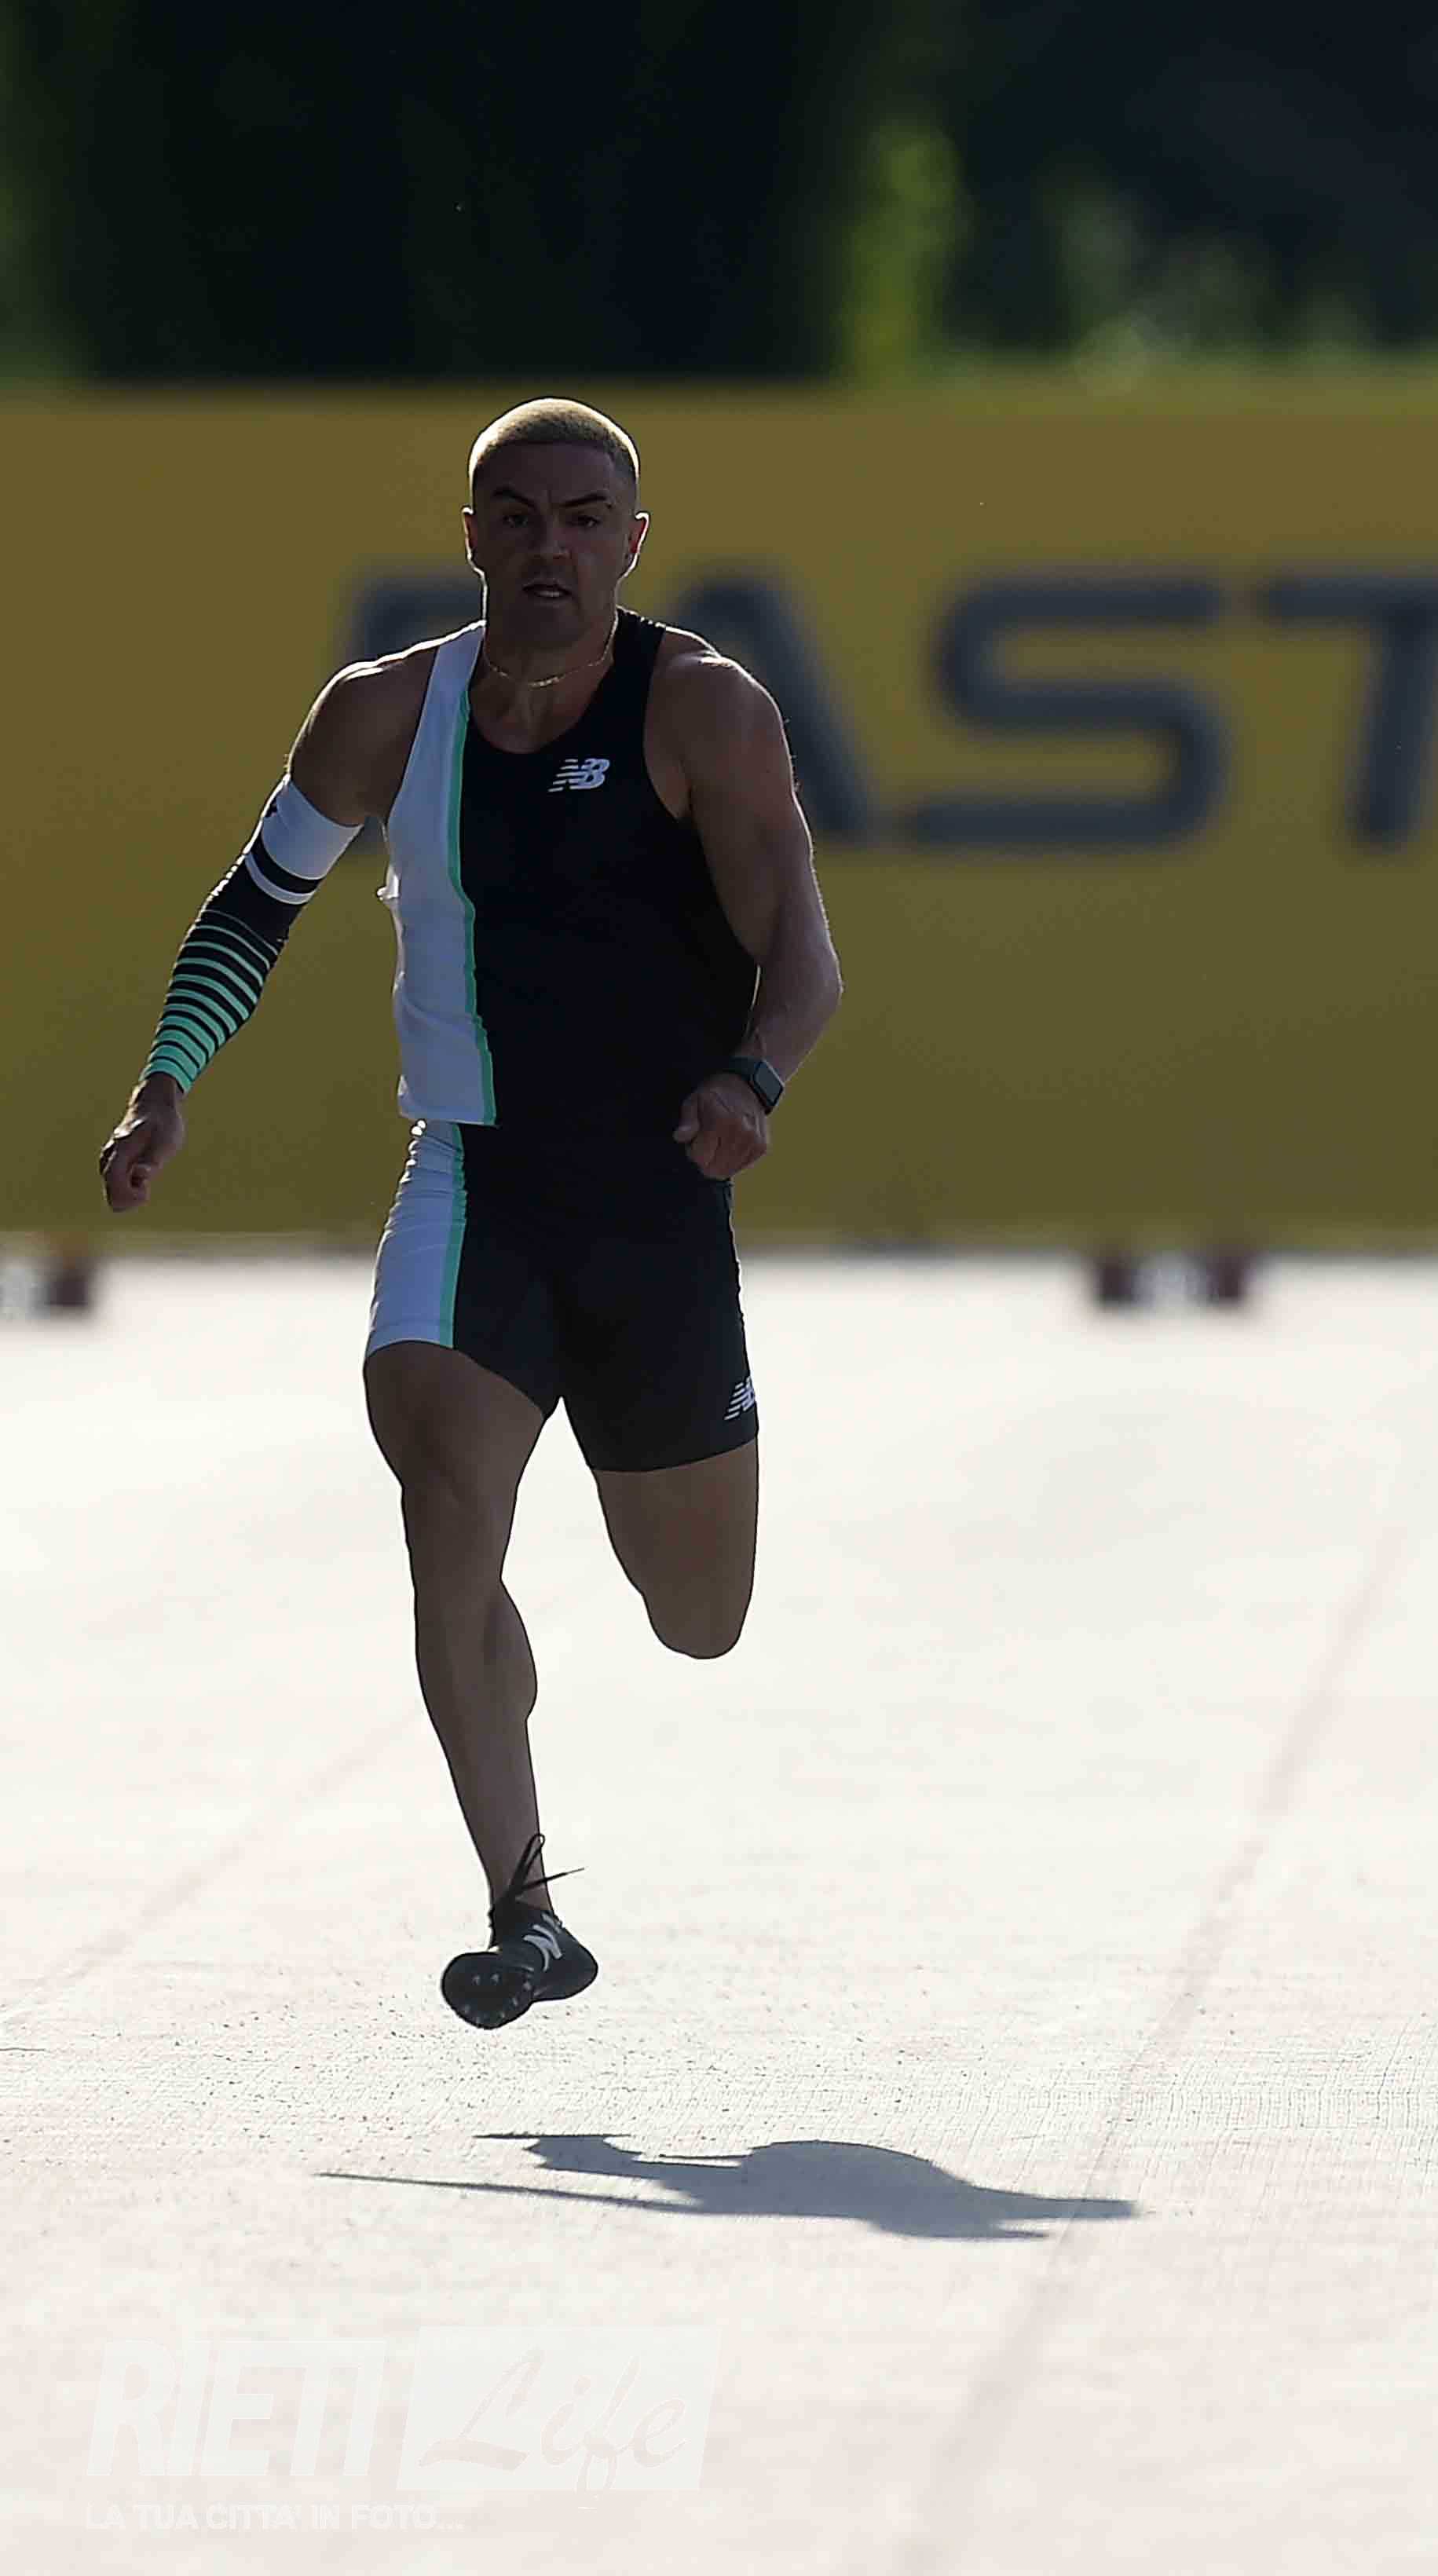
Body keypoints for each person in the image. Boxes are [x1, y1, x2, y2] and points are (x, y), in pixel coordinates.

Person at [96, 399, 844, 2026]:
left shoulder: (703, 709)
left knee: (698, 1618)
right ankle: (524, 1907)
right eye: (515, 516)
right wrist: (168, 1079)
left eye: (582, 518)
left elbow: (804, 952)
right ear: (473, 537)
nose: (548, 546)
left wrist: (753, 1079)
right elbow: (253, 905)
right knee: (446, 1506)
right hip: (472, 1180)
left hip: (655, 1204)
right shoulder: (384, 713)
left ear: (631, 542)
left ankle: (524, 1671)